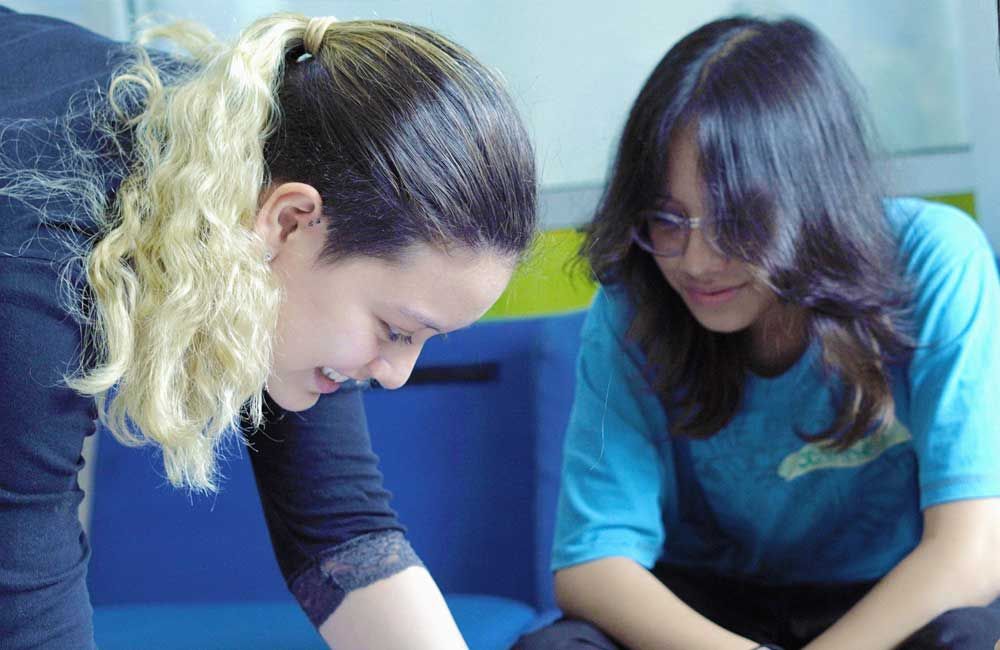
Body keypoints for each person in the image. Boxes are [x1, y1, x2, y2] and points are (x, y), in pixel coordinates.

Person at [0, 6, 536, 649]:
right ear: (288, 222)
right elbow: (25, 605)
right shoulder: (39, 272)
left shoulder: (265, 175)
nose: (397, 375)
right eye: (397, 329)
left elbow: (343, 535)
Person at [515, 16, 1000, 650]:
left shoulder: (934, 256)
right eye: (666, 218)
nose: (694, 260)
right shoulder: (636, 296)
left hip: (888, 596)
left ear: (816, 200)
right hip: (706, 609)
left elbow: (970, 553)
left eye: (737, 219)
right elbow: (591, 567)